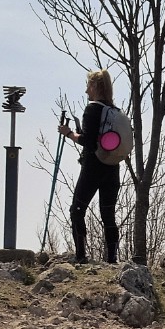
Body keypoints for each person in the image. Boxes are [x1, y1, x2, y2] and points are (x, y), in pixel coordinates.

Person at [58, 69, 122, 264]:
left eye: (88, 86)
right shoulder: (115, 112)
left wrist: (69, 133)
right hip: (112, 167)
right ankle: (112, 258)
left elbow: (88, 141)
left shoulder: (92, 109)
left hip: (93, 167)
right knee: (108, 214)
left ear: (95, 86)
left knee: (77, 209)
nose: (86, 91)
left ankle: (80, 256)